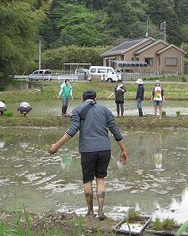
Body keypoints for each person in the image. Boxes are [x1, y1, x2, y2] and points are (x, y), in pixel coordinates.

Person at [48, 90, 128, 220]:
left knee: (87, 180)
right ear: (95, 98)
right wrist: (124, 150)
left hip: (87, 150)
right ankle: (101, 211)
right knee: (101, 178)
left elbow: (72, 130)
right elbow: (116, 131)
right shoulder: (105, 110)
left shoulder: (77, 110)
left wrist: (57, 145)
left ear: (82, 98)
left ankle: (90, 212)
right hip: (104, 150)